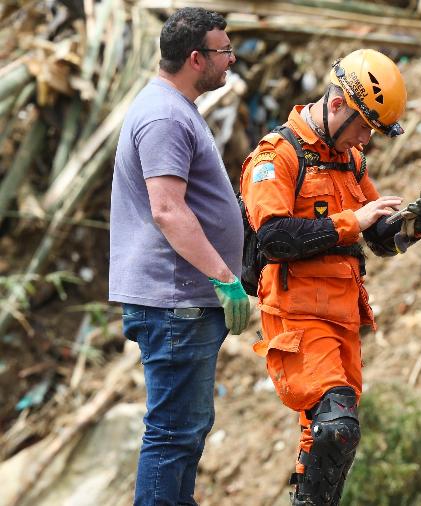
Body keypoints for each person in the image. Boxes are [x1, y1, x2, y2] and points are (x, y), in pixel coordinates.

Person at [240, 48, 421, 505]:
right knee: (336, 427)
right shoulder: (277, 156)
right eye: (364, 127)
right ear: (337, 106)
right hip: (297, 317)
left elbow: (379, 238)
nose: (365, 140)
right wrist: (353, 220)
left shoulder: (349, 159)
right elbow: (273, 238)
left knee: (330, 437)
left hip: (342, 317)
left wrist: (409, 226)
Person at [109, 7, 250, 506]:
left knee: (186, 431)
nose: (231, 59)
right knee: (173, 433)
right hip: (177, 302)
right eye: (225, 51)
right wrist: (223, 278)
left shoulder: (173, 108)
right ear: (196, 58)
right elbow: (167, 210)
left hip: (183, 301)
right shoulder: (165, 115)